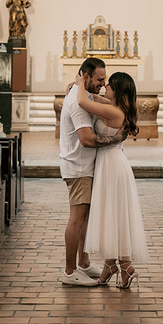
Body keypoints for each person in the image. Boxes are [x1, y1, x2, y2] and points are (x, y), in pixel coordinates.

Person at [78, 71, 149, 289]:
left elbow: (82, 100)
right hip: (110, 164)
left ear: (117, 90)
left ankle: (125, 265)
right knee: (113, 215)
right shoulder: (116, 108)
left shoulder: (114, 112)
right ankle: (113, 265)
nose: (104, 87)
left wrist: (80, 82)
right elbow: (93, 98)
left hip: (112, 166)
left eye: (108, 85)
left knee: (114, 215)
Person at [59, 57, 123, 286]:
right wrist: (115, 140)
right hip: (77, 167)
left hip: (85, 166)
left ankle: (84, 263)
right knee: (77, 219)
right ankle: (69, 271)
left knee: (84, 218)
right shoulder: (78, 102)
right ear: (86, 76)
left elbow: (97, 100)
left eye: (105, 80)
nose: (102, 84)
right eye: (99, 79)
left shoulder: (83, 95)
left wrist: (77, 87)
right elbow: (86, 139)